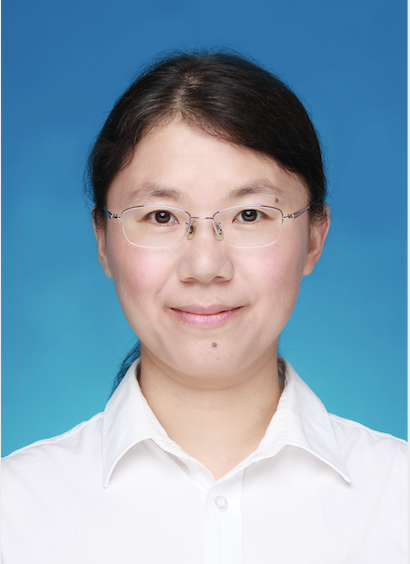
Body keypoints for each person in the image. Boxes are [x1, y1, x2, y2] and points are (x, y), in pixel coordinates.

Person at [2, 50, 406, 563]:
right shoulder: (18, 512)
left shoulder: (396, 499)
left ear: (314, 237)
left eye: (250, 214)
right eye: (162, 216)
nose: (206, 265)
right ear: (102, 240)